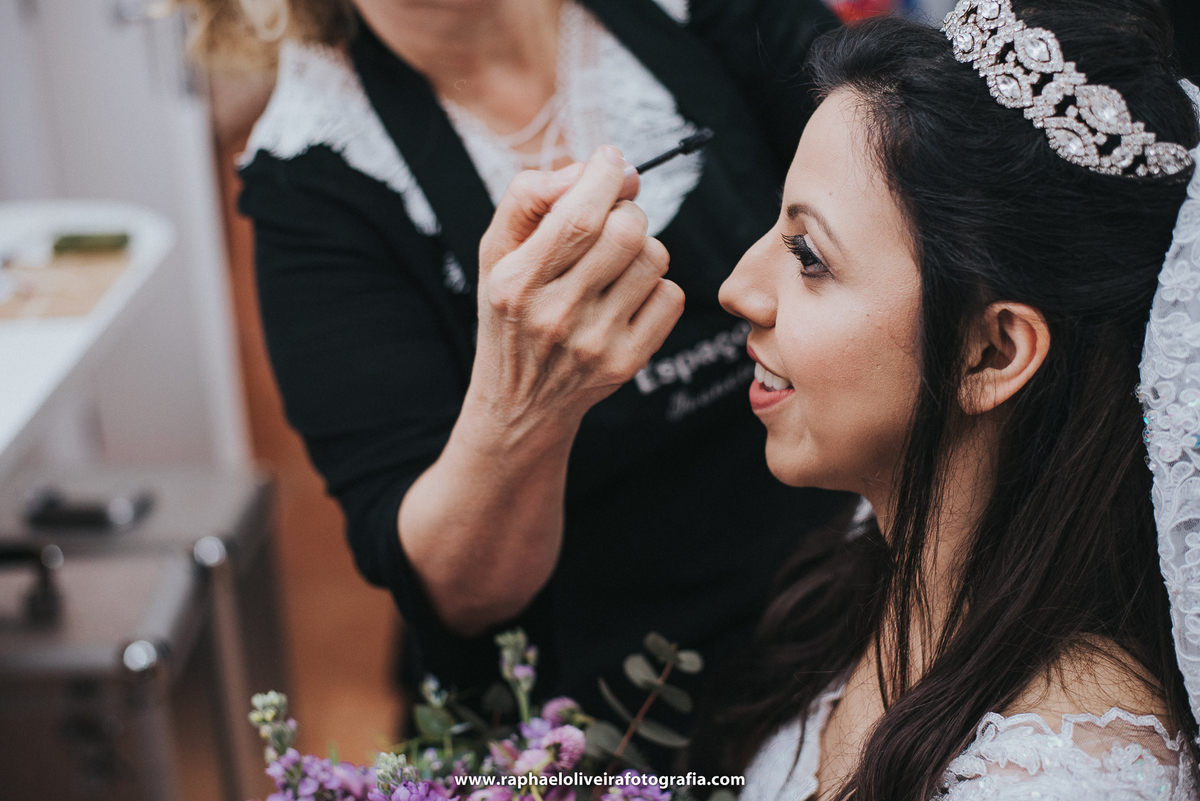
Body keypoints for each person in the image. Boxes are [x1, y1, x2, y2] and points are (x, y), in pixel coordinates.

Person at [188, 0, 845, 736]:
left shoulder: (699, 14)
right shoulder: (316, 172)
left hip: (849, 580)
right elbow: (463, 594)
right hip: (616, 707)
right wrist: (521, 403)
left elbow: (902, 190)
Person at [678, 0, 1198, 796]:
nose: (740, 289)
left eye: (808, 255)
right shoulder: (867, 565)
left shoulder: (1058, 779)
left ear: (990, 352)